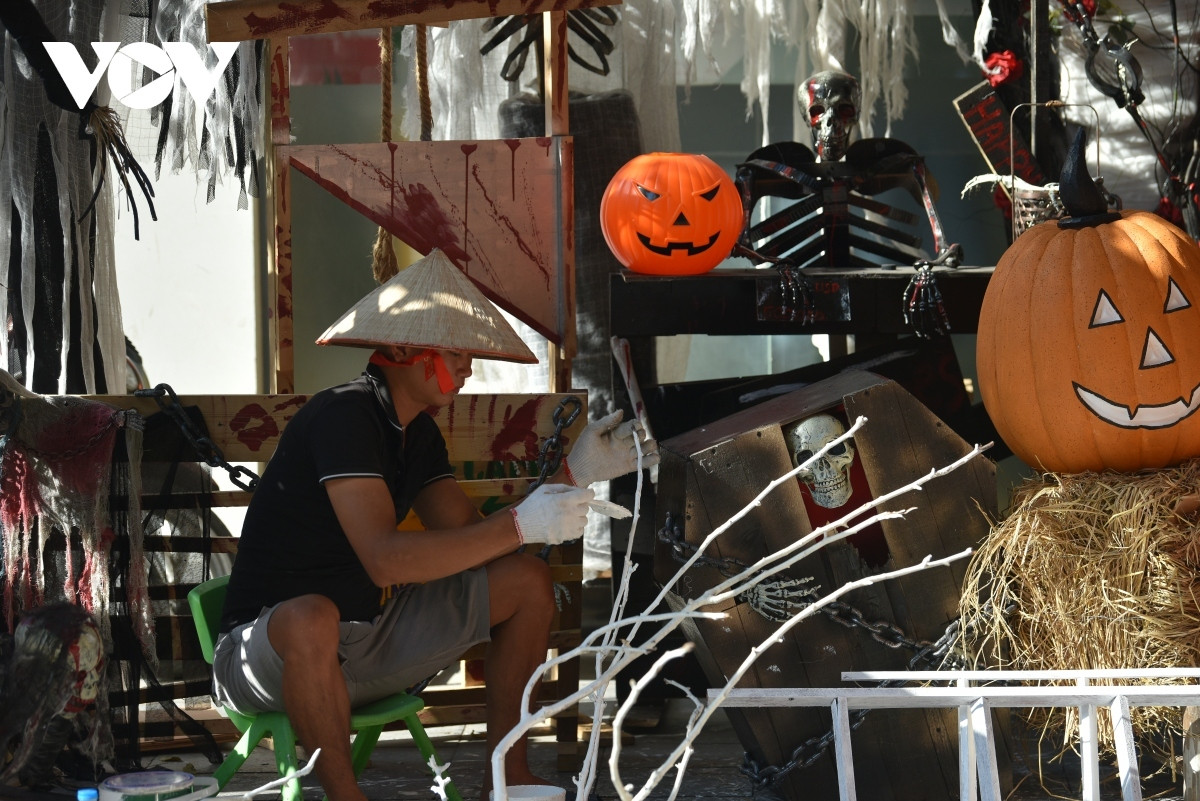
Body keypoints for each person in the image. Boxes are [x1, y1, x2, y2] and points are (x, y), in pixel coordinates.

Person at [212, 249, 659, 801]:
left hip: (363, 643)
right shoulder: (344, 416)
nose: (469, 369)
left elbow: (481, 541)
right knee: (311, 616)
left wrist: (577, 473)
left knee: (525, 581)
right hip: (266, 655)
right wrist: (522, 524)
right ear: (402, 349)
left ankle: (509, 779)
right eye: (457, 354)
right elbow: (385, 560)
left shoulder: (418, 434)